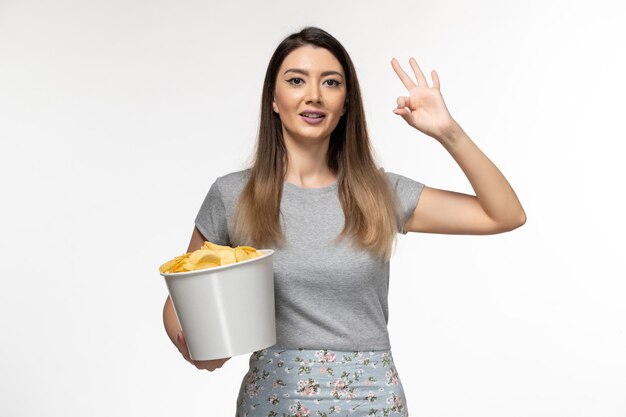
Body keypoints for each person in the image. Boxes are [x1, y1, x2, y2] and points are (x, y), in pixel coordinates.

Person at [162, 26, 525, 416]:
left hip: (372, 403)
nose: (313, 95)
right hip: (274, 400)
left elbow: (504, 214)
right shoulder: (233, 194)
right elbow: (180, 295)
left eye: (330, 82)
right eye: (296, 80)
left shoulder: (381, 193)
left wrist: (447, 132)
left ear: (346, 102)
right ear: (273, 97)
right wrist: (194, 345)